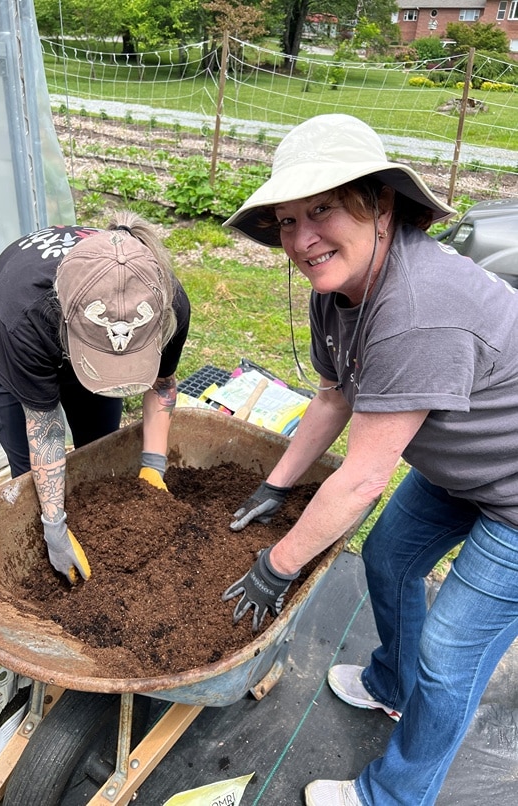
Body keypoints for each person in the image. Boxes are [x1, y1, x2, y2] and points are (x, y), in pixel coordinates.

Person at [221, 113, 518, 805]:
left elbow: (359, 480)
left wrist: (276, 565)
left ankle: (393, 795)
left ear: (380, 203)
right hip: (465, 461)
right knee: (386, 557)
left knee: (450, 658)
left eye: (321, 210)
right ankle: (391, 685)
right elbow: (332, 396)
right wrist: (276, 483)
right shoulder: (340, 290)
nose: (301, 239)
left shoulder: (416, 306)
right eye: (287, 220)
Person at [0, 212, 190, 584]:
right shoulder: (24, 313)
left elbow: (162, 385)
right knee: (30, 473)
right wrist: (53, 527)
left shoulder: (166, 304)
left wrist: (153, 467)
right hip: (6, 346)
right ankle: (50, 547)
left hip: (71, 337)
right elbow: (45, 426)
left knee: (99, 448)